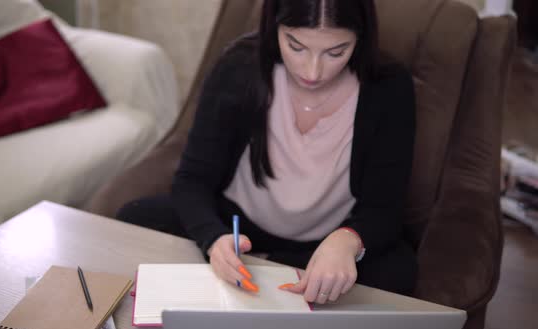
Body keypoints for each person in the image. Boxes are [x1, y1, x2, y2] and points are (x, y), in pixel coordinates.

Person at [117, 0, 416, 305]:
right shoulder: (239, 68)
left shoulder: (389, 88)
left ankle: (273, 264)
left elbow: (384, 210)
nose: (312, 72)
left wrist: (349, 240)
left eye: (336, 52)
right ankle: (272, 266)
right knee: (137, 217)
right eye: (296, 46)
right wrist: (214, 239)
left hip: (324, 243)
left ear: (361, 38)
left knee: (398, 269)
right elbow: (192, 180)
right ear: (274, 26)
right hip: (238, 228)